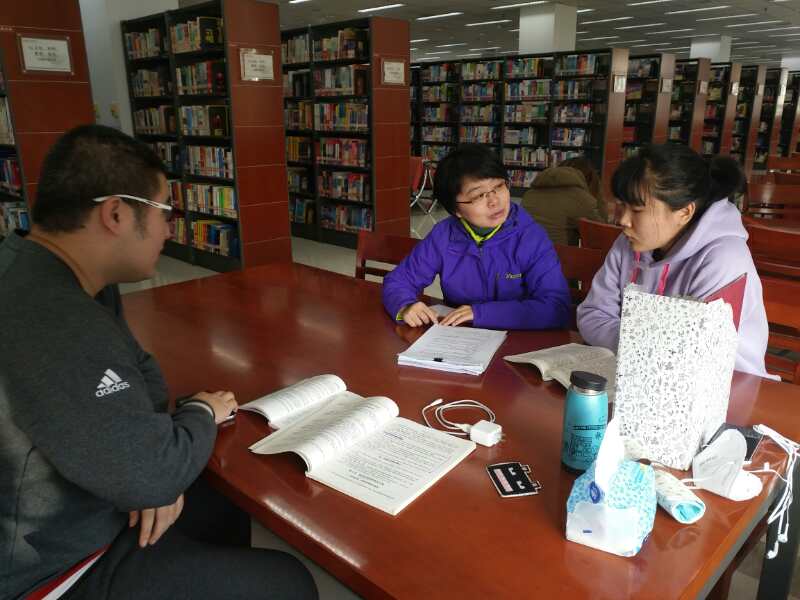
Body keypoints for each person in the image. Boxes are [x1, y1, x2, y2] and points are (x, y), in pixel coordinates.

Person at [0, 125, 317, 599]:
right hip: (51, 573)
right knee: (286, 584)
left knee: (221, 500)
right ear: (116, 214)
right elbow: (150, 469)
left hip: (89, 498)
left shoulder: (53, 273)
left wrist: (153, 474)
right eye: (165, 211)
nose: (171, 229)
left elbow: (145, 383)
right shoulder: (56, 319)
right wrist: (200, 414)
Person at [577, 143, 770, 377]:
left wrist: (631, 342)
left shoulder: (724, 259)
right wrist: (646, 347)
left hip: (728, 385)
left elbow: (693, 355)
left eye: (636, 210)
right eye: (621, 205)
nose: (623, 220)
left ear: (684, 212)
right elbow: (592, 314)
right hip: (637, 374)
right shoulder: (629, 242)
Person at [382, 144, 571, 330]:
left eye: (499, 186)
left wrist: (481, 313)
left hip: (520, 339)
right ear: (455, 209)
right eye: (479, 196)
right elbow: (398, 281)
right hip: (460, 338)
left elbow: (556, 307)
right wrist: (406, 305)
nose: (494, 201)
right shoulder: (443, 235)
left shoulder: (531, 237)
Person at [520, 156, 609, 246]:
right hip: (556, 254)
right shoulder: (580, 198)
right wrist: (598, 194)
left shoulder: (529, 194)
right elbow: (603, 235)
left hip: (522, 251)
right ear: (587, 178)